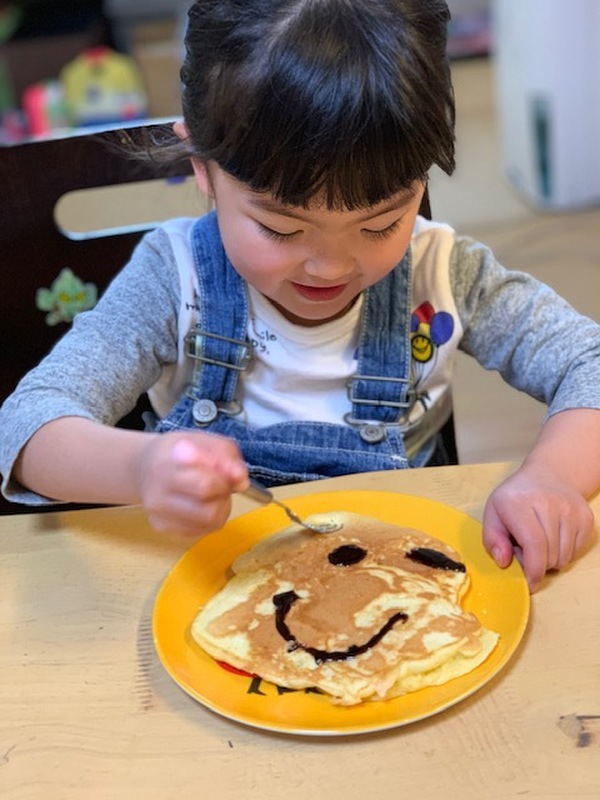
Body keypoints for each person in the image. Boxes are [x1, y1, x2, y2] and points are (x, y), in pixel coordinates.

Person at [1, 0, 599, 593]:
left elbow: (588, 363)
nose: (330, 265)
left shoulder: (444, 274)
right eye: (282, 229)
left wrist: (553, 477)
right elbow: (26, 427)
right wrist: (139, 469)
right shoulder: (174, 280)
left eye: (379, 224)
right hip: (213, 584)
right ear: (202, 168)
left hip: (398, 587)